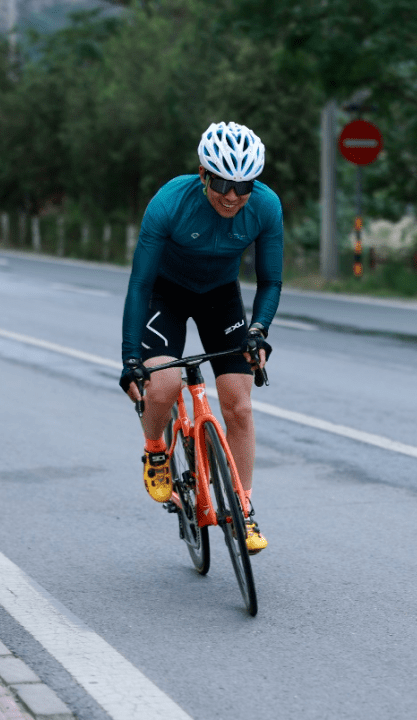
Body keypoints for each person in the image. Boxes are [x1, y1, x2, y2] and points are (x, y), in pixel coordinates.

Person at [118, 121, 283, 554]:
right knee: (164, 386)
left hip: (221, 298)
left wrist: (258, 331)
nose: (231, 195)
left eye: (242, 185)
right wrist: (130, 358)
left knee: (239, 405)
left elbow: (270, 281)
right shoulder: (170, 202)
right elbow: (139, 283)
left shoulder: (265, 207)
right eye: (221, 182)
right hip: (165, 295)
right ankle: (156, 449)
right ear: (203, 173)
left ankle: (243, 508)